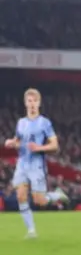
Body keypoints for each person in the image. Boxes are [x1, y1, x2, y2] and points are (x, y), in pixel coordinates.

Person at [4, 88, 68, 238]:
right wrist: (11, 142)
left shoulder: (44, 123)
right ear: (25, 104)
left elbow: (55, 145)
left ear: (39, 103)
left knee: (40, 201)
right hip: (22, 164)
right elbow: (18, 140)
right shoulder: (21, 123)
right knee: (20, 196)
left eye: (34, 101)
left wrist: (39, 147)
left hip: (36, 165)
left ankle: (56, 195)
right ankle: (31, 230)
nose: (32, 104)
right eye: (29, 101)